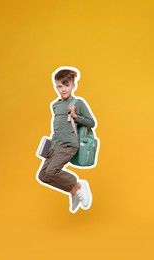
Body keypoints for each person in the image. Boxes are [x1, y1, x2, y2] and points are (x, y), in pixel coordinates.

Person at [37, 66, 97, 213]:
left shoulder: (78, 103)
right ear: (56, 86)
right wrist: (50, 146)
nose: (63, 89)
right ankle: (73, 190)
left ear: (73, 85)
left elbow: (91, 123)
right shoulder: (55, 105)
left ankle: (79, 186)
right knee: (43, 176)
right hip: (55, 145)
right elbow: (58, 127)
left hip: (69, 144)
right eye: (59, 86)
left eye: (66, 85)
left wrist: (76, 116)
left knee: (52, 171)